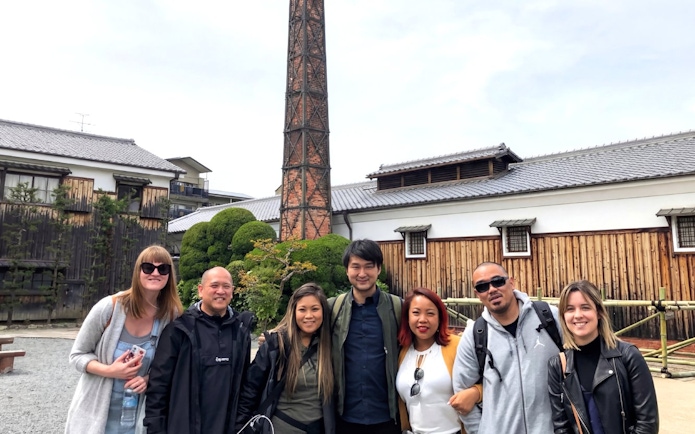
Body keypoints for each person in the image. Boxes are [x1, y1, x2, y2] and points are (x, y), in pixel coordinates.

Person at [65, 245, 183, 434]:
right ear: (138, 272)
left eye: (163, 268)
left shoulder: (171, 315)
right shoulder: (109, 307)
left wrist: (148, 378)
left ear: (169, 275)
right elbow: (77, 355)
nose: (155, 273)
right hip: (96, 411)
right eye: (148, 267)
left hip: (139, 414)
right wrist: (110, 371)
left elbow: (173, 363)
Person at [452, 261, 562, 434]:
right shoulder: (474, 335)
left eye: (498, 281)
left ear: (511, 282)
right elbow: (461, 391)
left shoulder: (549, 317)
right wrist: (480, 430)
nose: (492, 289)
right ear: (477, 294)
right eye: (482, 286)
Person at [144, 266, 255, 434]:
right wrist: (156, 428)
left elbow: (246, 384)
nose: (221, 291)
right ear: (201, 290)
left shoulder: (240, 331)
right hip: (184, 426)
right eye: (214, 285)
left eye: (226, 286)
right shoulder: (180, 330)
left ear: (232, 292)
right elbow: (158, 385)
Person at [547, 280, 659, 434]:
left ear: (598, 312)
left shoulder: (628, 356)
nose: (578, 315)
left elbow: (647, 424)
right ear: (563, 316)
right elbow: (561, 427)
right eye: (570, 309)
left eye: (585, 307)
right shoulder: (558, 366)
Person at [236, 282, 335, 434]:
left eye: (315, 309)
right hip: (281, 428)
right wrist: (239, 427)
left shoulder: (330, 345)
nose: (309, 315)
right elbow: (250, 391)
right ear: (293, 312)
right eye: (302, 309)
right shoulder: (276, 345)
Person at [330, 239, 402, 434]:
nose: (362, 274)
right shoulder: (332, 308)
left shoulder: (398, 308)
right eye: (356, 267)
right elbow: (302, 325)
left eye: (369, 266)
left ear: (378, 269)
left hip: (388, 416)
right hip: (344, 416)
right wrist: (277, 336)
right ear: (347, 270)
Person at [396, 287, 467, 434]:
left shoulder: (457, 346)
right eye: (416, 313)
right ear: (407, 317)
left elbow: (485, 384)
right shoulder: (402, 351)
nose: (423, 320)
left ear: (440, 317)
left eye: (430, 313)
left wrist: (475, 393)